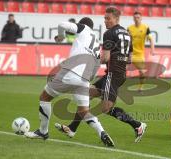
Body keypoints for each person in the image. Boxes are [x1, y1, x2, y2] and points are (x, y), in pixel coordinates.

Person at [55, 7, 147, 144]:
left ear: (116, 19)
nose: (105, 21)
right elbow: (129, 59)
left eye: (108, 18)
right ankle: (72, 128)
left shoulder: (109, 33)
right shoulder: (127, 34)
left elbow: (104, 58)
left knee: (105, 108)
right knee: (86, 95)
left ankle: (137, 125)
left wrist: (92, 58)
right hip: (118, 74)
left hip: (112, 74)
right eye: (104, 18)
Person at [24, 17, 115, 147]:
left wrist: (60, 37)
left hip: (71, 72)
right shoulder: (96, 43)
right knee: (83, 110)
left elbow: (61, 24)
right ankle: (102, 132)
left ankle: (43, 132)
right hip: (85, 78)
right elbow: (96, 66)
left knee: (44, 97)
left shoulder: (83, 28)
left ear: (82, 24)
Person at [127, 11, 154, 92]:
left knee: (142, 73)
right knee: (121, 70)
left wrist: (152, 49)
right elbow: (126, 40)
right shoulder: (129, 28)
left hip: (139, 55)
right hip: (130, 54)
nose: (136, 19)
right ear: (133, 19)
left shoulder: (145, 28)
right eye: (135, 18)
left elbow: (151, 39)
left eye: (138, 17)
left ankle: (140, 87)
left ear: (141, 18)